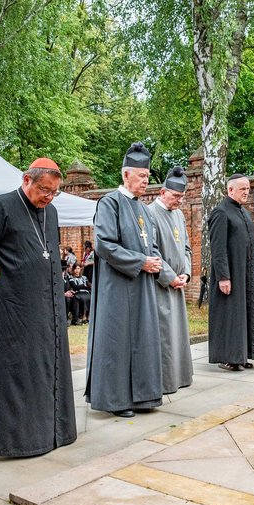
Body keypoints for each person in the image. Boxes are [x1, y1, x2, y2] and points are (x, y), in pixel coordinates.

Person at [0, 158, 77, 456]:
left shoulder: (50, 212)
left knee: (45, 370)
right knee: (14, 373)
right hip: (9, 309)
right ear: (27, 180)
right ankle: (15, 441)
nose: (48, 197)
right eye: (44, 190)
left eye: (54, 192)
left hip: (47, 308)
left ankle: (50, 433)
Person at [85, 142, 163, 418]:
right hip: (117, 285)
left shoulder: (143, 209)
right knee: (118, 340)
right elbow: (104, 244)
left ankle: (142, 396)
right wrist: (140, 262)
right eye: (141, 176)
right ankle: (116, 400)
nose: (146, 181)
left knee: (142, 339)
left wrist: (155, 264)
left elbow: (151, 245)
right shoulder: (109, 203)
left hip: (141, 285)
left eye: (148, 176)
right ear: (126, 175)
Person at [208, 174, 254, 371]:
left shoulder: (243, 212)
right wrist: (224, 276)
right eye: (242, 188)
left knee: (244, 313)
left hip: (246, 275)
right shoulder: (221, 212)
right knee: (230, 315)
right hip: (231, 274)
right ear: (230, 190)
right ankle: (228, 357)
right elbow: (218, 248)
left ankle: (241, 354)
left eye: (248, 189)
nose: (246, 192)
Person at [148, 166, 193, 393]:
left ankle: (180, 376)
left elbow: (186, 247)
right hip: (161, 284)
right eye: (176, 196)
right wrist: (170, 276)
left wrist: (185, 272)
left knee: (178, 335)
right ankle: (165, 381)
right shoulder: (150, 214)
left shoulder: (179, 214)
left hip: (179, 283)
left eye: (182, 197)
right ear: (163, 192)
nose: (179, 201)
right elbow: (151, 250)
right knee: (165, 335)